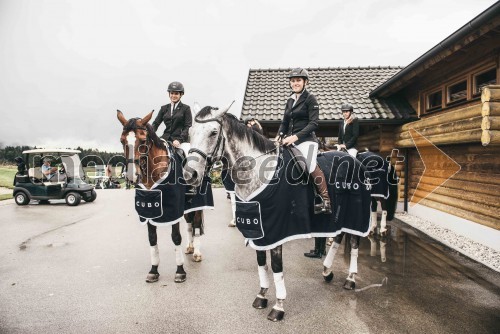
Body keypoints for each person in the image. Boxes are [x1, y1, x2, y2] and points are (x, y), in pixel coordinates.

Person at [277, 68, 331, 215]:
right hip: (290, 140)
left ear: (305, 82)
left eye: (298, 80)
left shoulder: (310, 99)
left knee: (310, 163)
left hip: (307, 141)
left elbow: (313, 123)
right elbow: (285, 122)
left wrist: (295, 137)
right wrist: (279, 135)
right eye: (293, 81)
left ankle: (325, 200)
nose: (295, 83)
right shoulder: (290, 100)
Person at [152, 81, 192, 149]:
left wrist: (180, 140)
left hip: (179, 141)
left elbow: (187, 127)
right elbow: (156, 123)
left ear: (181, 94)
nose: (173, 96)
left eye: (176, 94)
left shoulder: (186, 108)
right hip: (165, 139)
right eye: (172, 93)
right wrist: (149, 134)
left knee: (188, 154)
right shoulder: (164, 108)